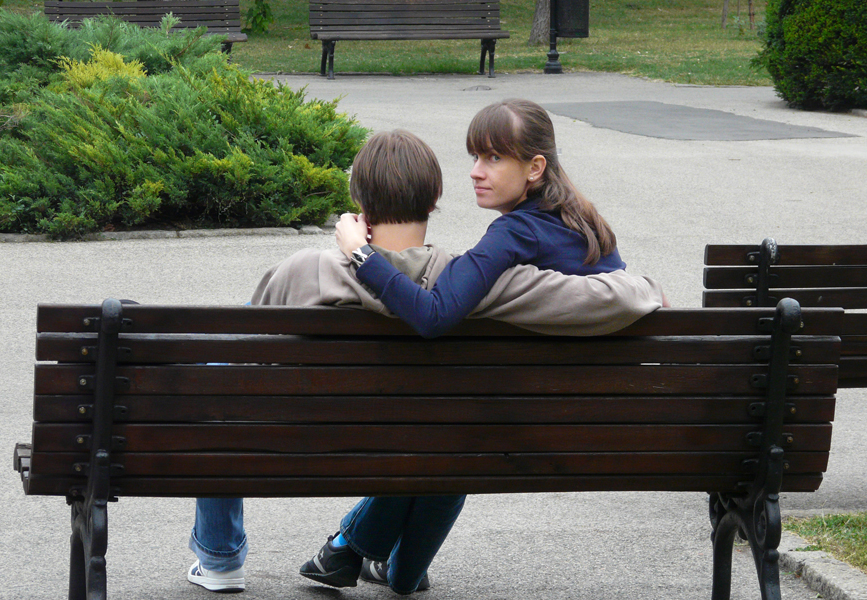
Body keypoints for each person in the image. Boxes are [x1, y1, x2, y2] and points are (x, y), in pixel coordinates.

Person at [187, 128, 666, 594]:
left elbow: (235, 362)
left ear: (358, 201)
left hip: (305, 442)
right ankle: (388, 559)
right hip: (430, 442)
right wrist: (643, 287)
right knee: (448, 428)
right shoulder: (479, 283)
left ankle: (220, 559)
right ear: (435, 199)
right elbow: (611, 296)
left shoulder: (306, 271)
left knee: (215, 383)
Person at [311, 99, 645, 594]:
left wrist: (360, 253)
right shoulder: (588, 228)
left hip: (515, 430)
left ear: (535, 168)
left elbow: (432, 315)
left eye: (493, 158)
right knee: (454, 435)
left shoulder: (513, 234)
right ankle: (392, 567)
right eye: (475, 157)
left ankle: (348, 545)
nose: (475, 171)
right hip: (592, 425)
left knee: (444, 433)